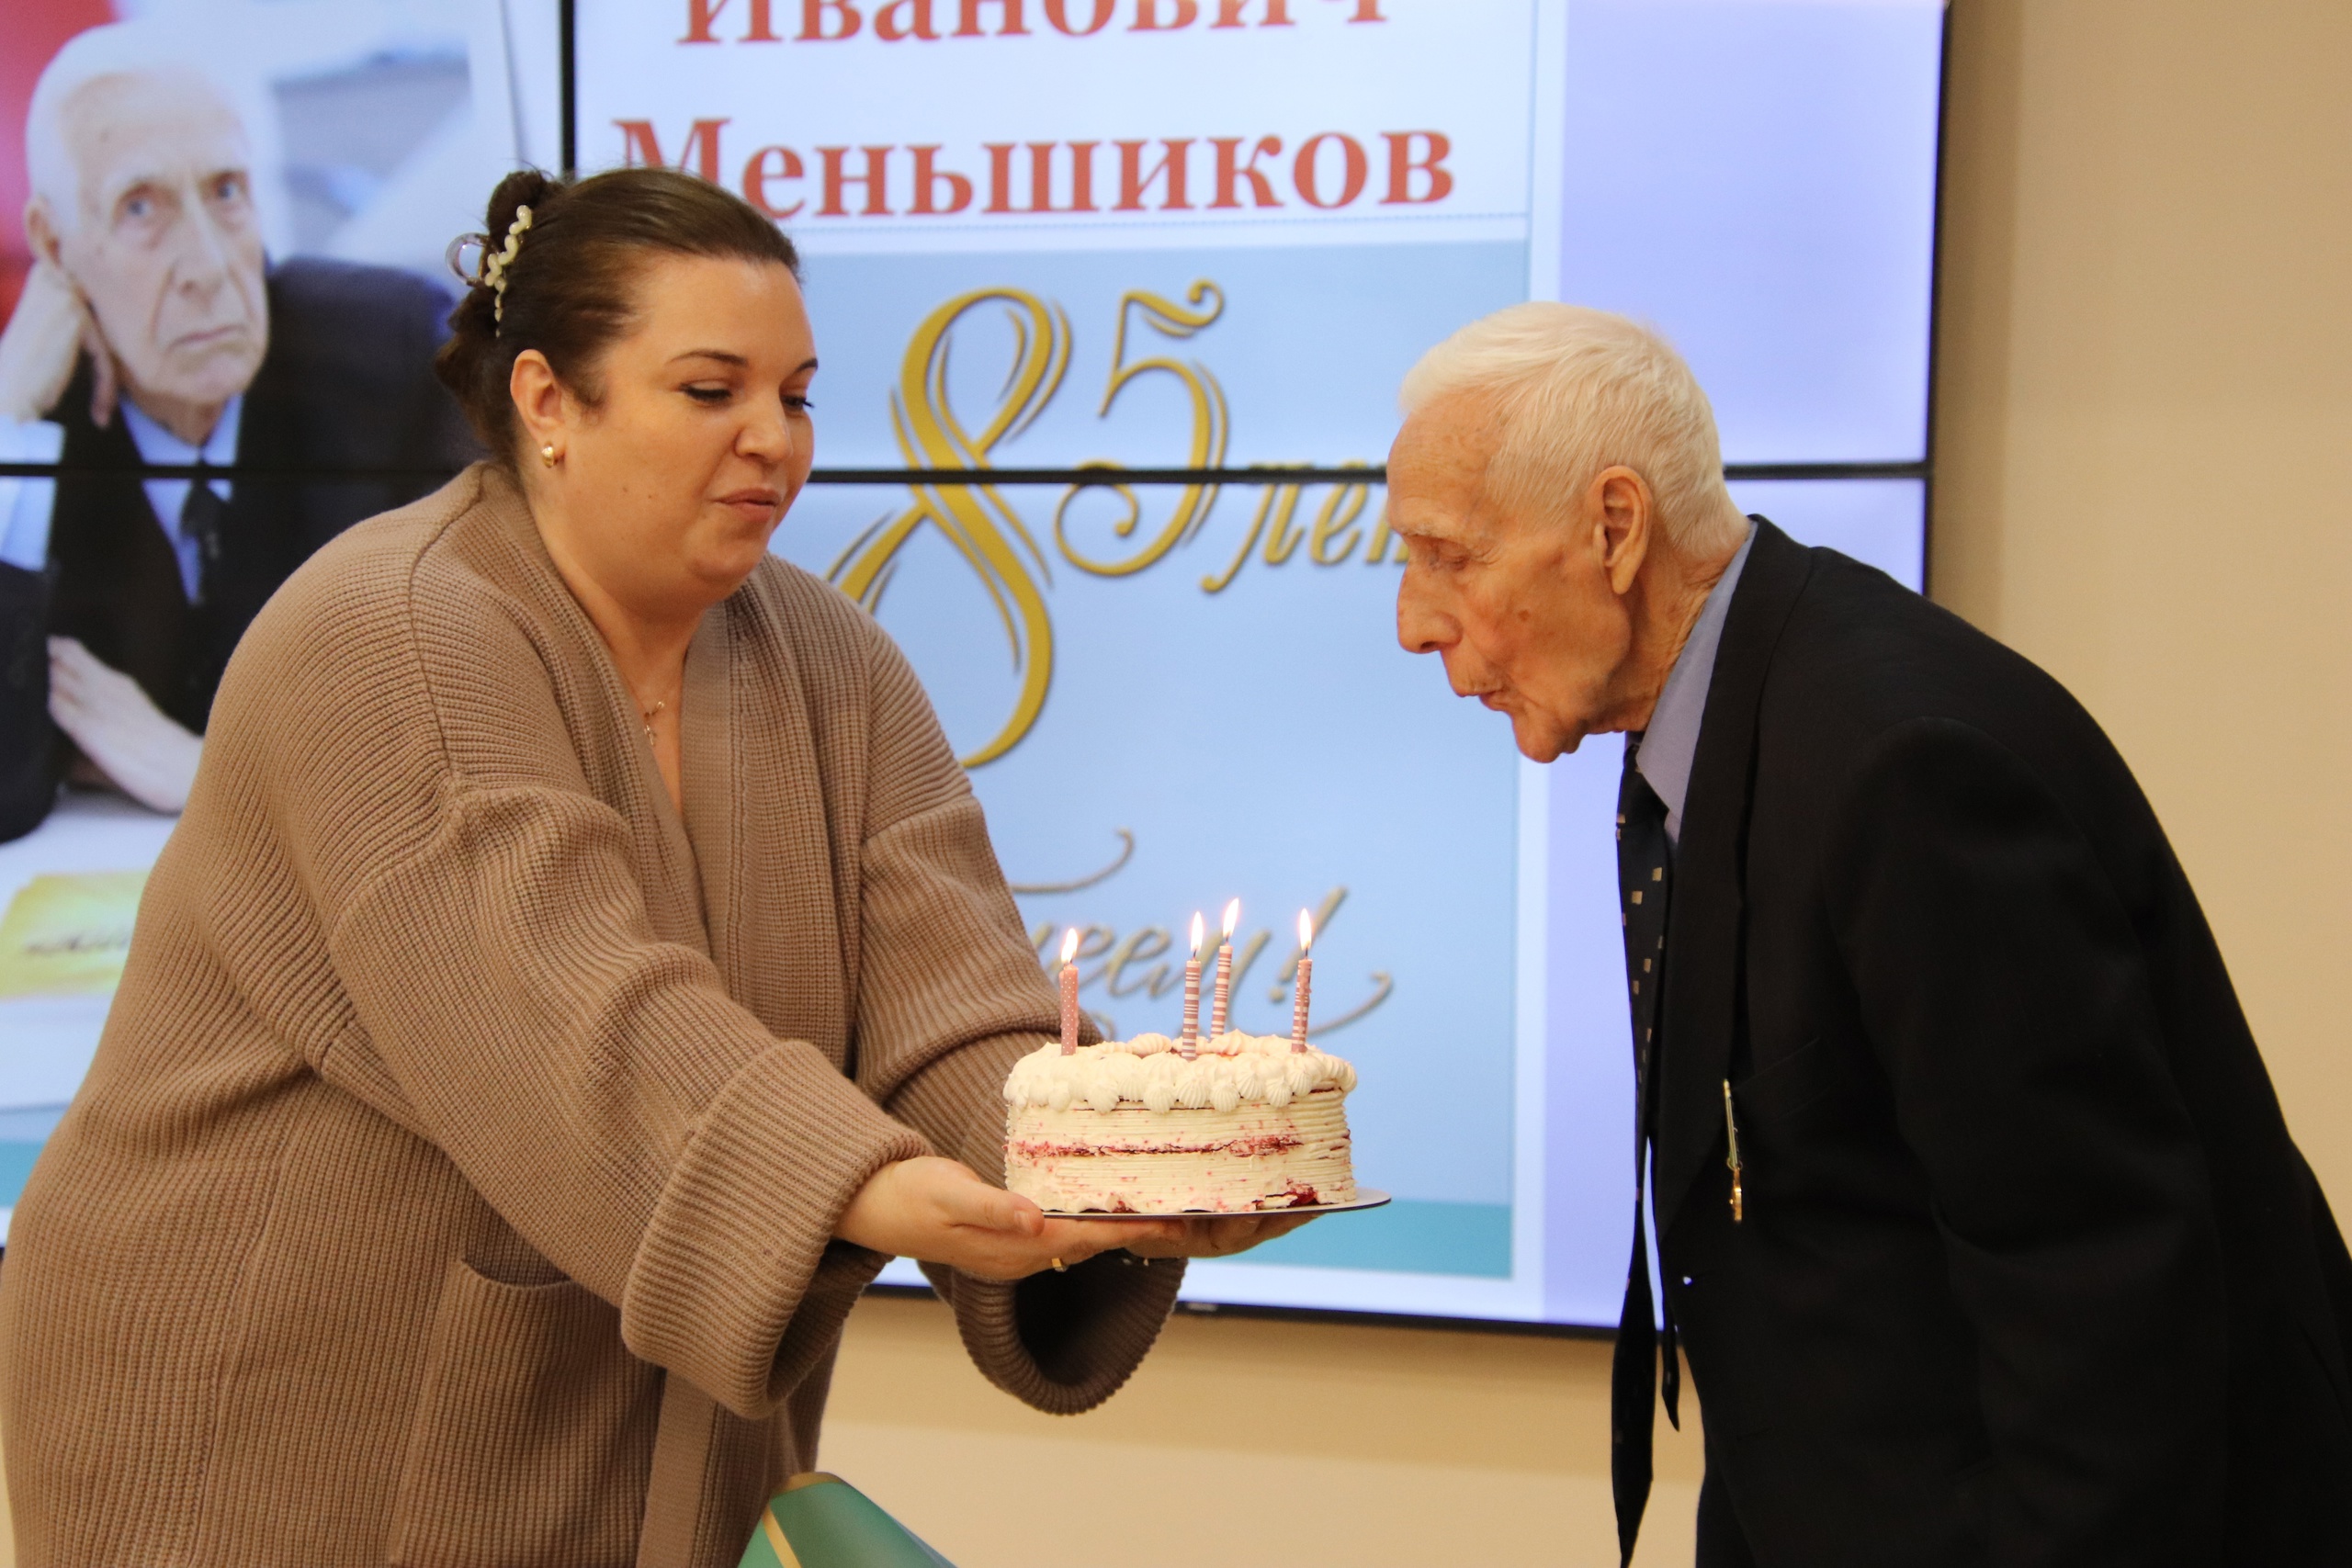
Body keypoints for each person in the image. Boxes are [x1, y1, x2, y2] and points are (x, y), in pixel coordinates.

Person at [0, 164, 1299, 1567]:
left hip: (580, 1409)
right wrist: (865, 1187)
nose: (773, 439)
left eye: (795, 395)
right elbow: (560, 1013)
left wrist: (1099, 1170)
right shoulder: (387, 631)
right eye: (710, 390)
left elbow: (951, 1003)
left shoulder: (834, 662)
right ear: (549, 401)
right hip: (256, 1405)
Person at [1385, 303, 2352, 1565]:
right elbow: (1802, 1252)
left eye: (1449, 557)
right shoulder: (1724, 712)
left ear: (1615, 529)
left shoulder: (1902, 767)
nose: (1414, 619)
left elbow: (2097, 1292)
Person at [0, 21, 474, 840]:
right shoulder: (38, 410)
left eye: (226, 192)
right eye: (140, 207)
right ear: (55, 245)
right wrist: (7, 424)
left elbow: (484, 729)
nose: (211, 267)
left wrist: (213, 774)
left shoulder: (398, 357)